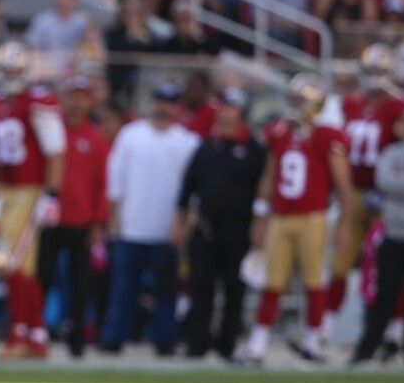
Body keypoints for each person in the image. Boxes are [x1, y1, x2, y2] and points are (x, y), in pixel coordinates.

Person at [240, 74, 352, 365]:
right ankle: (257, 345)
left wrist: (345, 224)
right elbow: (268, 176)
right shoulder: (281, 132)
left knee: (314, 282)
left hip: (313, 218)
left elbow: (343, 184)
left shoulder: (327, 135)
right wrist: (260, 217)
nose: (293, 105)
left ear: (314, 104)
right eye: (292, 99)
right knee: (272, 282)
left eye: (299, 100)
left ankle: (314, 342)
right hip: (281, 217)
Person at [100, 83, 199, 355]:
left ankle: (164, 339)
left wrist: (182, 225)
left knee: (166, 291)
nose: (163, 107)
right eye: (159, 101)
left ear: (177, 107)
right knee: (123, 289)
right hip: (131, 226)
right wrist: (113, 218)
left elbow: (191, 191)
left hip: (166, 229)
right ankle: (114, 336)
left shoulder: (188, 142)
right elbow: (115, 180)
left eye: (169, 102)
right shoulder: (131, 136)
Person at [0, 42, 65, 358]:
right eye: (7, 70)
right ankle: (35, 334)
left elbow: (55, 152)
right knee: (21, 266)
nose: (11, 75)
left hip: (29, 190)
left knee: (11, 262)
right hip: (6, 190)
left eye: (15, 70)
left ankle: (19, 335)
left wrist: (51, 194)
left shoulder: (36, 102)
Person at [326, 44, 404, 337]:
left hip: (386, 198)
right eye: (369, 71)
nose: (373, 77)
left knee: (388, 269)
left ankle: (395, 333)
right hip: (352, 193)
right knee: (339, 262)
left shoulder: (402, 108)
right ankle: (323, 332)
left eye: (379, 71)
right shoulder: (349, 105)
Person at [175, 88, 264, 359]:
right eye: (223, 107)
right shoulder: (205, 147)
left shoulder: (253, 150)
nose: (224, 113)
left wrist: (259, 226)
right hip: (205, 227)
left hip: (238, 228)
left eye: (231, 108)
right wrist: (179, 222)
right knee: (201, 286)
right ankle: (197, 341)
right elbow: (187, 187)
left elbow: (262, 190)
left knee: (233, 289)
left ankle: (227, 343)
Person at [38, 76, 108, 358]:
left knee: (80, 284)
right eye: (72, 95)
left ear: (90, 101)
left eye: (82, 96)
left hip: (81, 221)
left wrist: (97, 223)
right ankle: (34, 333)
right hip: (50, 219)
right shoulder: (53, 133)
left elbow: (101, 184)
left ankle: (77, 339)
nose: (76, 102)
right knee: (41, 277)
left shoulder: (96, 139)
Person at [351, 102, 404, 366]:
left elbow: (401, 187)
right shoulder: (392, 153)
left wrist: (402, 188)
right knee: (384, 295)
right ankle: (366, 350)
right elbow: (384, 182)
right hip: (394, 233)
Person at [23, 0, 90, 53]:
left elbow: (95, 51)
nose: (64, 1)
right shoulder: (42, 21)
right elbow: (31, 45)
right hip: (45, 62)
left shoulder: (84, 22)